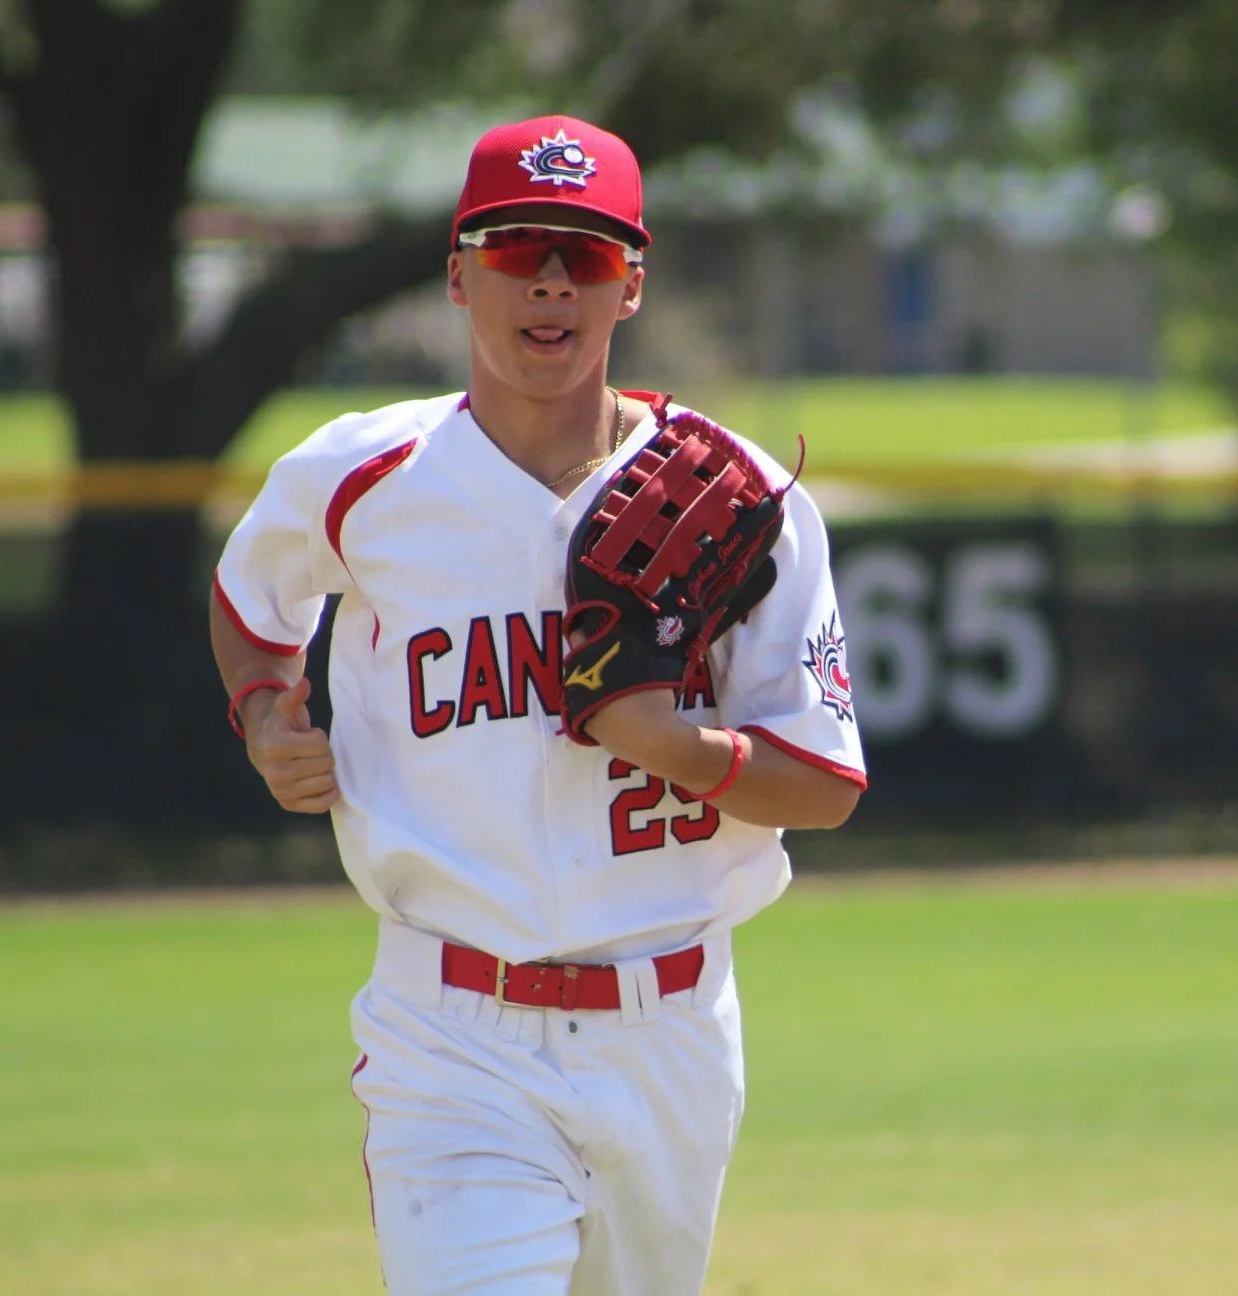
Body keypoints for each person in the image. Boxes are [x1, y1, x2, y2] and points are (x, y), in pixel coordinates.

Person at [207, 115, 866, 1295]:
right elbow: (251, 600)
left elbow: (823, 784)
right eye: (518, 248)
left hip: (668, 1027)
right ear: (460, 274)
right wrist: (266, 713)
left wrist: (673, 743)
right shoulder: (361, 481)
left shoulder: (740, 502)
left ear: (632, 286)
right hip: (451, 1029)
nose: (552, 280)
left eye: (589, 253)